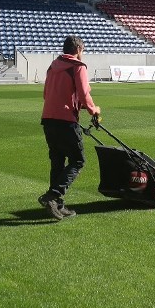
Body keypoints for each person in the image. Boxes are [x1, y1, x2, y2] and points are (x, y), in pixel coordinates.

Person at [38, 36, 101, 220]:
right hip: (66, 121)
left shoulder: (53, 66)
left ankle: (56, 205)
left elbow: (46, 94)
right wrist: (93, 110)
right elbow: (83, 94)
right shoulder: (78, 67)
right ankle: (52, 195)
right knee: (78, 160)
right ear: (79, 49)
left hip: (48, 119)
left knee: (57, 161)